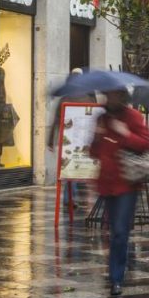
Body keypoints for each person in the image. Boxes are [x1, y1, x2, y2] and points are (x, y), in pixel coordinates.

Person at [89, 89, 149, 296]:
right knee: (112, 230)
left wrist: (125, 133)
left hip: (127, 183)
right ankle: (115, 272)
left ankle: (116, 278)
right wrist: (97, 137)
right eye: (107, 96)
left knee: (119, 231)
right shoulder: (101, 118)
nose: (108, 99)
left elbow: (146, 143)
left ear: (122, 98)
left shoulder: (133, 117)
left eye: (113, 96)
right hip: (107, 183)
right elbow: (94, 152)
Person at [49, 68, 94, 210]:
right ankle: (82, 197)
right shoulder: (88, 97)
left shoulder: (65, 98)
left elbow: (56, 121)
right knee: (83, 167)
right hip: (84, 139)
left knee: (70, 169)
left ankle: (69, 198)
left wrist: (51, 141)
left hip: (68, 140)